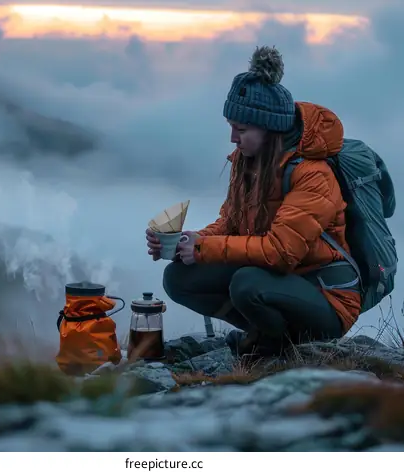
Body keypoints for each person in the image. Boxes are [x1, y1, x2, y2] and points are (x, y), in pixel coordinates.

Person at [145, 45, 362, 361]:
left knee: (247, 284)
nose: (233, 138)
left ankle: (279, 349)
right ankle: (265, 334)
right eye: (232, 127)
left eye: (241, 129)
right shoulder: (248, 162)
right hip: (280, 283)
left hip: (325, 297)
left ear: (269, 128)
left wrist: (205, 249)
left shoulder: (312, 175)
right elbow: (231, 223)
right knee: (179, 278)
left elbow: (281, 252)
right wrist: (189, 242)